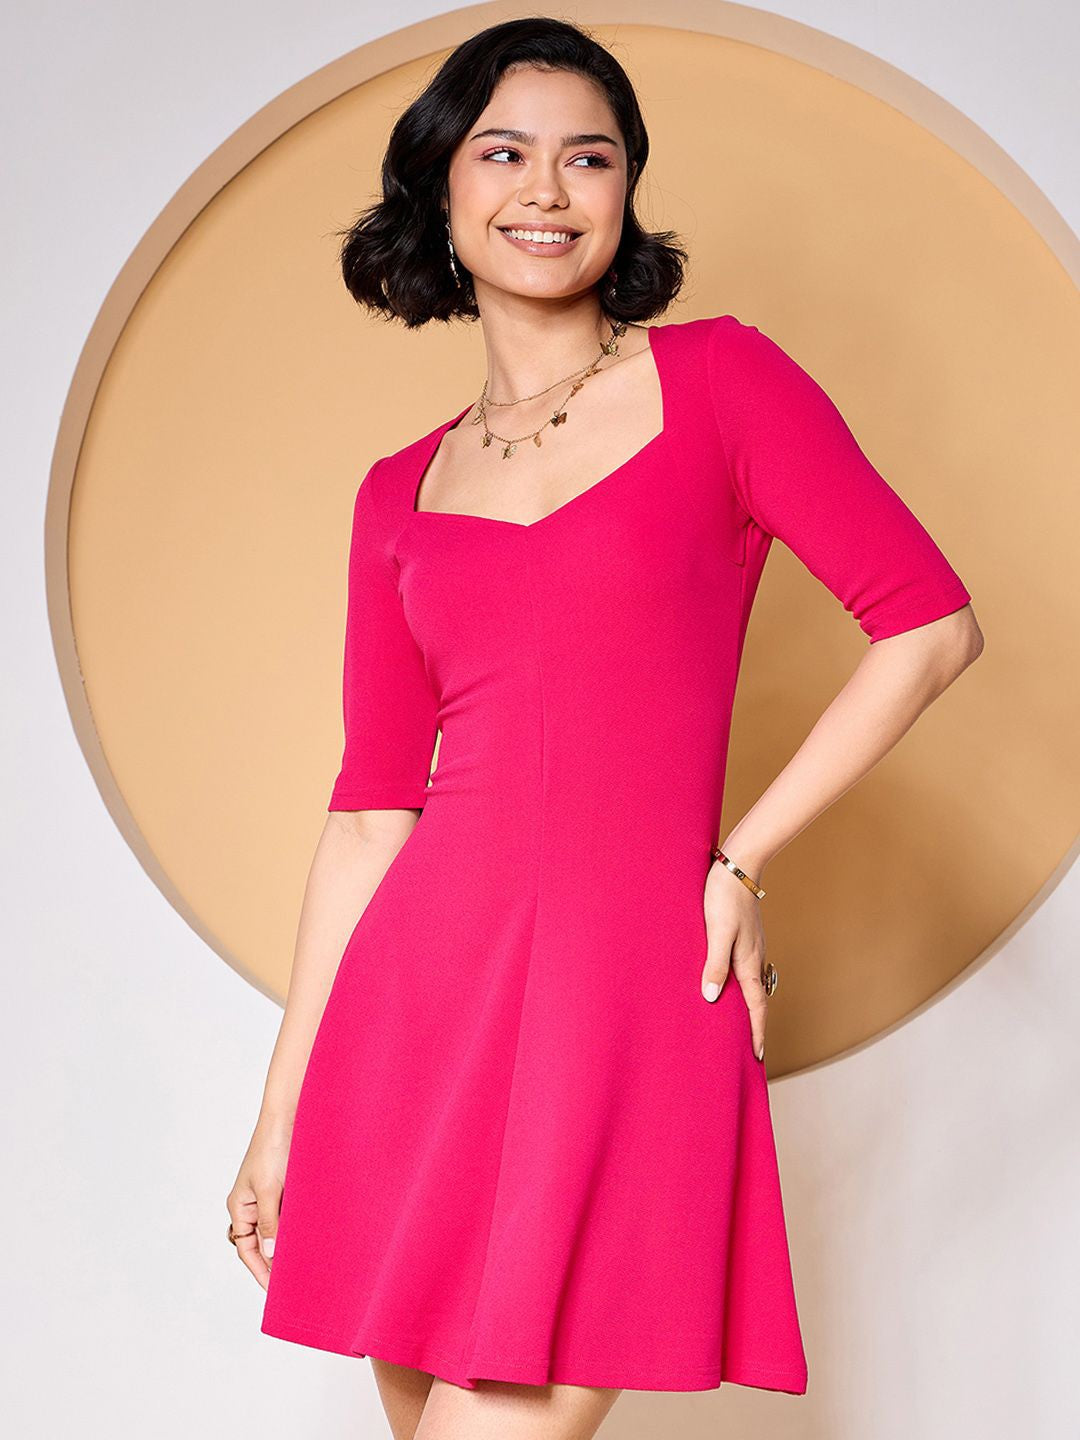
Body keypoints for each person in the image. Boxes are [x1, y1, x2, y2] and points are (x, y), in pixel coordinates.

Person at [227, 16, 983, 1440]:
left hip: (627, 1004)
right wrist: (280, 1118)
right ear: (440, 187)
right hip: (419, 1018)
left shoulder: (723, 385)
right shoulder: (397, 492)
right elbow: (371, 813)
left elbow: (929, 627)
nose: (547, 190)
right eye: (503, 153)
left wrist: (739, 859)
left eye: (589, 158)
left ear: (628, 190)